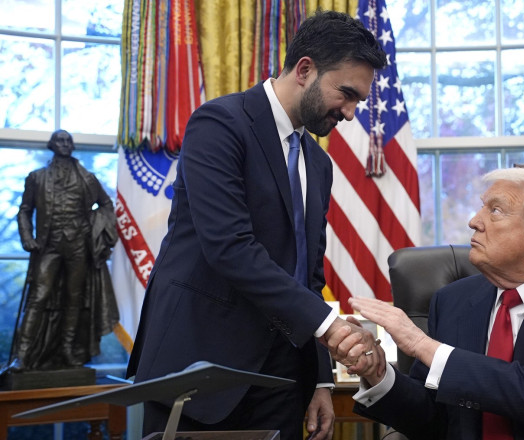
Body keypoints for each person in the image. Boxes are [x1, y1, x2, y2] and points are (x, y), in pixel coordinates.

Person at [126, 10, 387, 440]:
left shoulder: (319, 164)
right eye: (346, 93)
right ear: (305, 69)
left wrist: (319, 379)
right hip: (202, 365)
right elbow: (229, 246)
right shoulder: (220, 124)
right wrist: (330, 326)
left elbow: (308, 273)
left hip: (282, 378)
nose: (351, 112)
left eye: (358, 99)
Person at [341, 167, 524, 439]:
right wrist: (377, 373)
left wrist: (422, 345)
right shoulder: (453, 301)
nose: (474, 221)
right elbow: (431, 418)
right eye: (481, 206)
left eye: (495, 210)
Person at [9, 129, 119, 372]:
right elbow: (24, 210)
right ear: (52, 144)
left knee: (74, 299)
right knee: (38, 297)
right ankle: (23, 355)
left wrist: (96, 226)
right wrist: (27, 237)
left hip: (78, 245)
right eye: (61, 140)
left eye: (69, 140)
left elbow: (106, 204)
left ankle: (69, 351)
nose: (66, 144)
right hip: (49, 246)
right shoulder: (36, 178)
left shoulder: (87, 178)